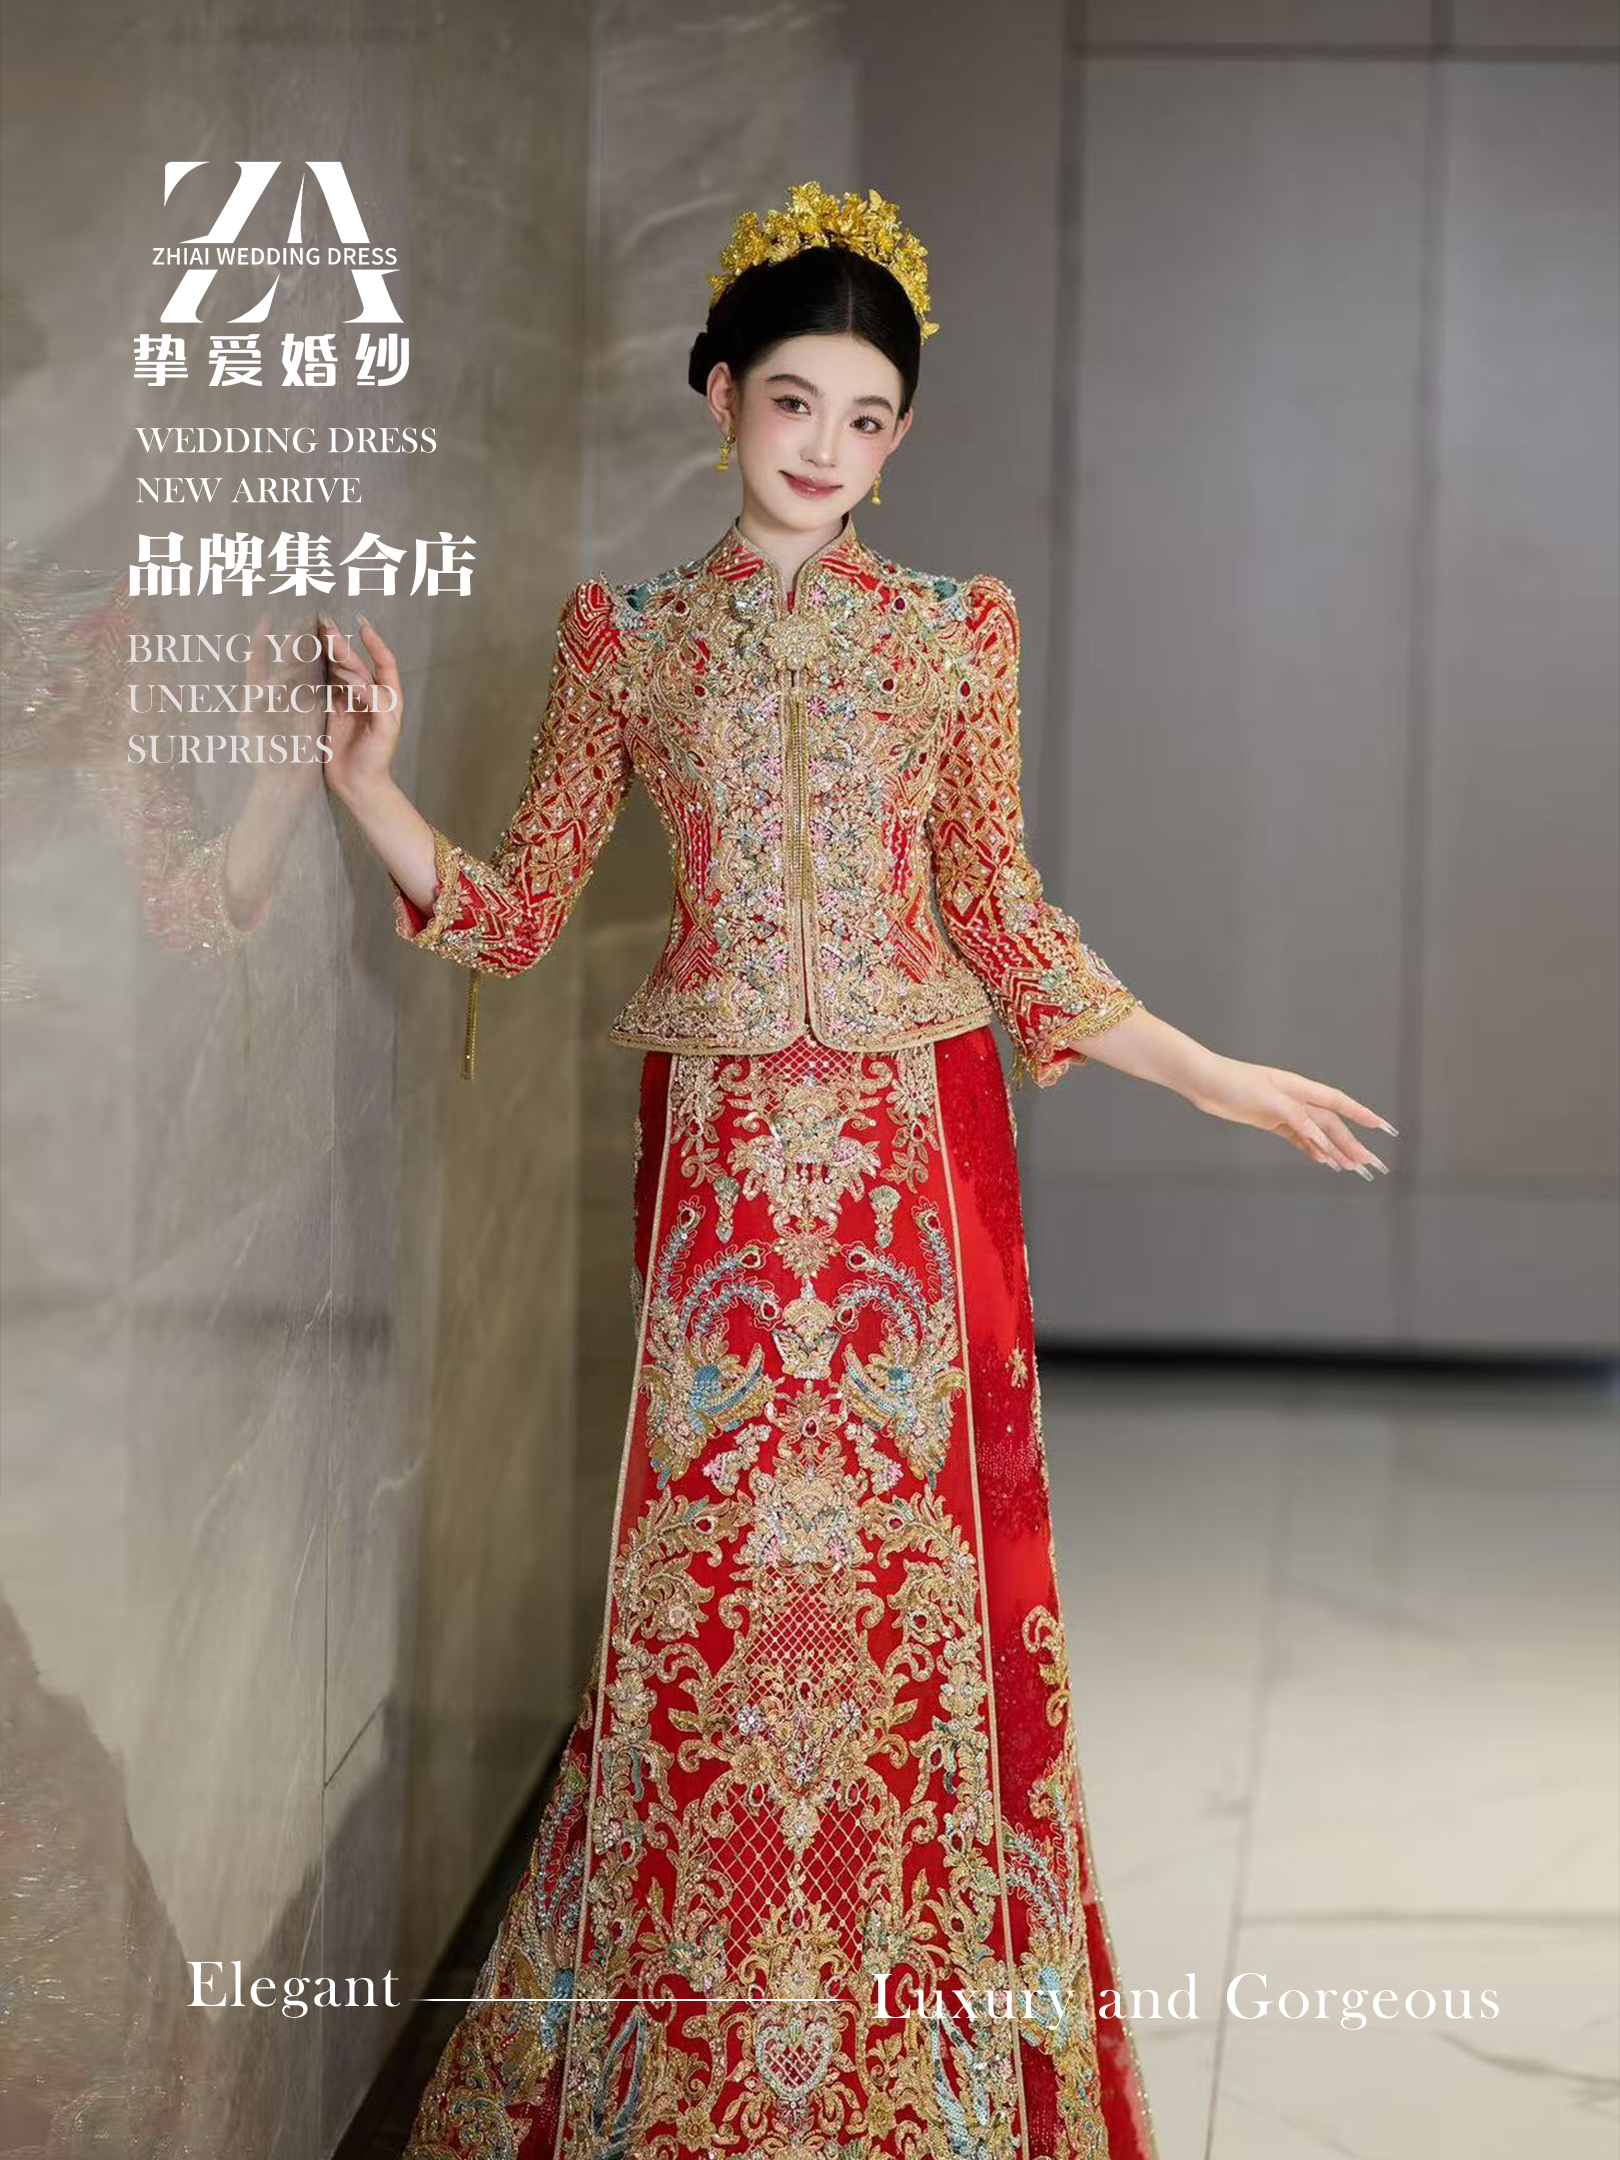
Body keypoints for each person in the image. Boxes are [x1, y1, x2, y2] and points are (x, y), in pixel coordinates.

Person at [324, 181, 1395, 2160]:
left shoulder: (954, 633)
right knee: (714, 1619)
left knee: (922, 1616)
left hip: (914, 1169)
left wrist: (1206, 1072)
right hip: (725, 1180)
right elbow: (517, 909)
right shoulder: (626, 640)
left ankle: (920, 2082)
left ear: (899, 443)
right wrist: (370, 788)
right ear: (720, 394)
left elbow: (1003, 913)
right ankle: (697, 2077)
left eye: (866, 417)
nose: (823, 445)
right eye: (792, 399)